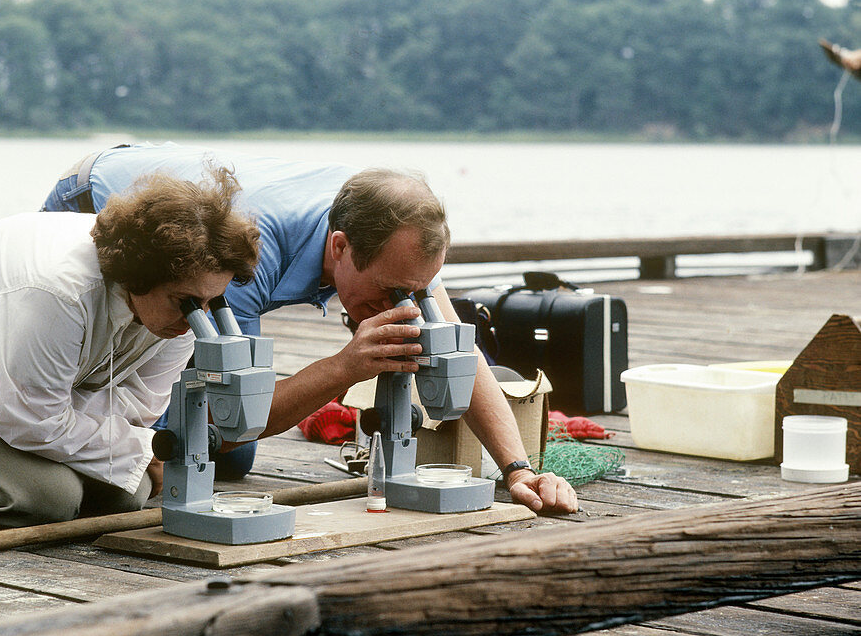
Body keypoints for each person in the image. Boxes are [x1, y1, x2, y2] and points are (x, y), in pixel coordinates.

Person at [41, 142, 578, 514]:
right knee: (219, 437)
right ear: (340, 247)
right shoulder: (241, 253)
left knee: (226, 445)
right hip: (97, 194)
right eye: (392, 291)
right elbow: (229, 424)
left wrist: (516, 469)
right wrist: (343, 368)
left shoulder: (391, 237)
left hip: (196, 189)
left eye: (415, 291)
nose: (404, 305)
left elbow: (462, 348)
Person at [0, 166, 260, 529]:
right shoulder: (58, 288)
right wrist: (26, 414)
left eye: (210, 302)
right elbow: (37, 423)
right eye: (185, 301)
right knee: (47, 499)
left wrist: (6, 408)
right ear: (139, 276)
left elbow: (137, 407)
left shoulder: (183, 304)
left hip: (8, 394)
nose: (196, 318)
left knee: (128, 492)